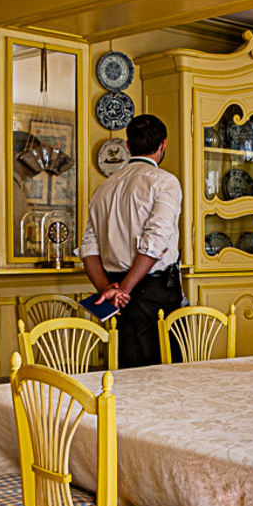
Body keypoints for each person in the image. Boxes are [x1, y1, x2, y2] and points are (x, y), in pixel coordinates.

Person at [79, 114, 183, 368]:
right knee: (164, 375)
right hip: (153, 291)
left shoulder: (104, 187)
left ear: (127, 146)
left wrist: (107, 289)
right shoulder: (165, 182)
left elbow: (89, 247)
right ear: (162, 145)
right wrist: (123, 290)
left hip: (116, 294)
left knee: (126, 372)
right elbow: (155, 242)